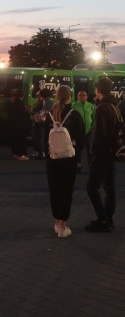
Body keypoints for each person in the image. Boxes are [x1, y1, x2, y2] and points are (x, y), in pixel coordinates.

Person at [45, 85, 84, 238]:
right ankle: (62, 226)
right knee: (66, 191)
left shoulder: (50, 114)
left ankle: (56, 222)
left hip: (52, 159)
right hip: (68, 159)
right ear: (70, 96)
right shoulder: (74, 114)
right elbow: (80, 139)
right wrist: (77, 157)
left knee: (54, 190)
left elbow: (44, 139)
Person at [85, 77, 119, 232]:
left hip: (102, 154)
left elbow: (100, 134)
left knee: (92, 187)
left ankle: (103, 219)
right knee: (109, 187)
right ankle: (109, 217)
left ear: (98, 90)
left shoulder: (101, 108)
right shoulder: (115, 107)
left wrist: (95, 153)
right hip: (112, 153)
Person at [72, 90, 95, 172]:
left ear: (87, 97)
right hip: (78, 132)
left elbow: (94, 117)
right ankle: (78, 165)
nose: (82, 96)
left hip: (89, 131)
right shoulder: (74, 105)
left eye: (84, 95)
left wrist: (93, 127)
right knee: (77, 150)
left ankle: (92, 167)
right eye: (80, 95)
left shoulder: (90, 105)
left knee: (91, 150)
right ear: (77, 96)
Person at [6, 89, 30, 160]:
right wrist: (27, 111)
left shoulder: (10, 102)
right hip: (20, 124)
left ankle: (15, 154)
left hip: (13, 124)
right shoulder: (20, 102)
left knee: (14, 139)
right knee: (21, 140)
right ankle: (21, 154)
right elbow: (23, 113)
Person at [32, 89, 54, 159]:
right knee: (47, 137)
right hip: (49, 121)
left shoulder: (42, 102)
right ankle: (47, 152)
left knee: (41, 137)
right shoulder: (51, 101)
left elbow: (35, 110)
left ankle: (41, 153)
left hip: (41, 121)